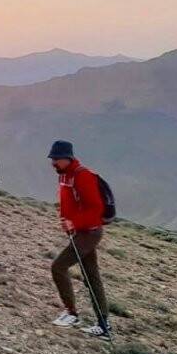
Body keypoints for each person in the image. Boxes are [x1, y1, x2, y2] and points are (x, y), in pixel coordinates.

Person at [47, 140, 111, 340]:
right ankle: (103, 325)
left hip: (89, 232)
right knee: (92, 276)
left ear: (68, 158)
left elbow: (96, 209)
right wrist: (67, 221)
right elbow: (68, 203)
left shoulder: (82, 176)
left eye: (56, 159)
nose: (53, 163)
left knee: (58, 267)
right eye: (52, 159)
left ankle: (72, 314)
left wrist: (74, 222)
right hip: (81, 232)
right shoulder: (65, 175)